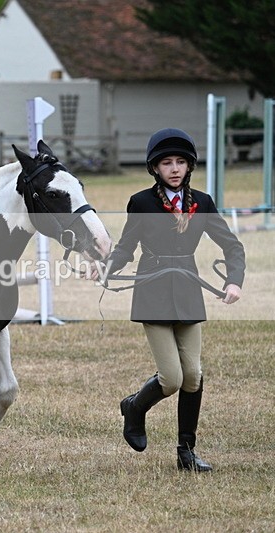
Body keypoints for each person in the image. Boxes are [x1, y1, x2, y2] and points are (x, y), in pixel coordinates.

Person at [90, 128, 246, 472]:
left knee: (193, 375)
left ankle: (186, 453)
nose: (174, 168)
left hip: (189, 291)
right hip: (153, 291)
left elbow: (232, 245)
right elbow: (127, 247)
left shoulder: (202, 203)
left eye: (180, 162)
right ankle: (134, 407)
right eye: (166, 162)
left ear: (189, 166)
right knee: (172, 378)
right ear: (155, 168)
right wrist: (108, 267)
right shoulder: (141, 202)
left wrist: (234, 281)